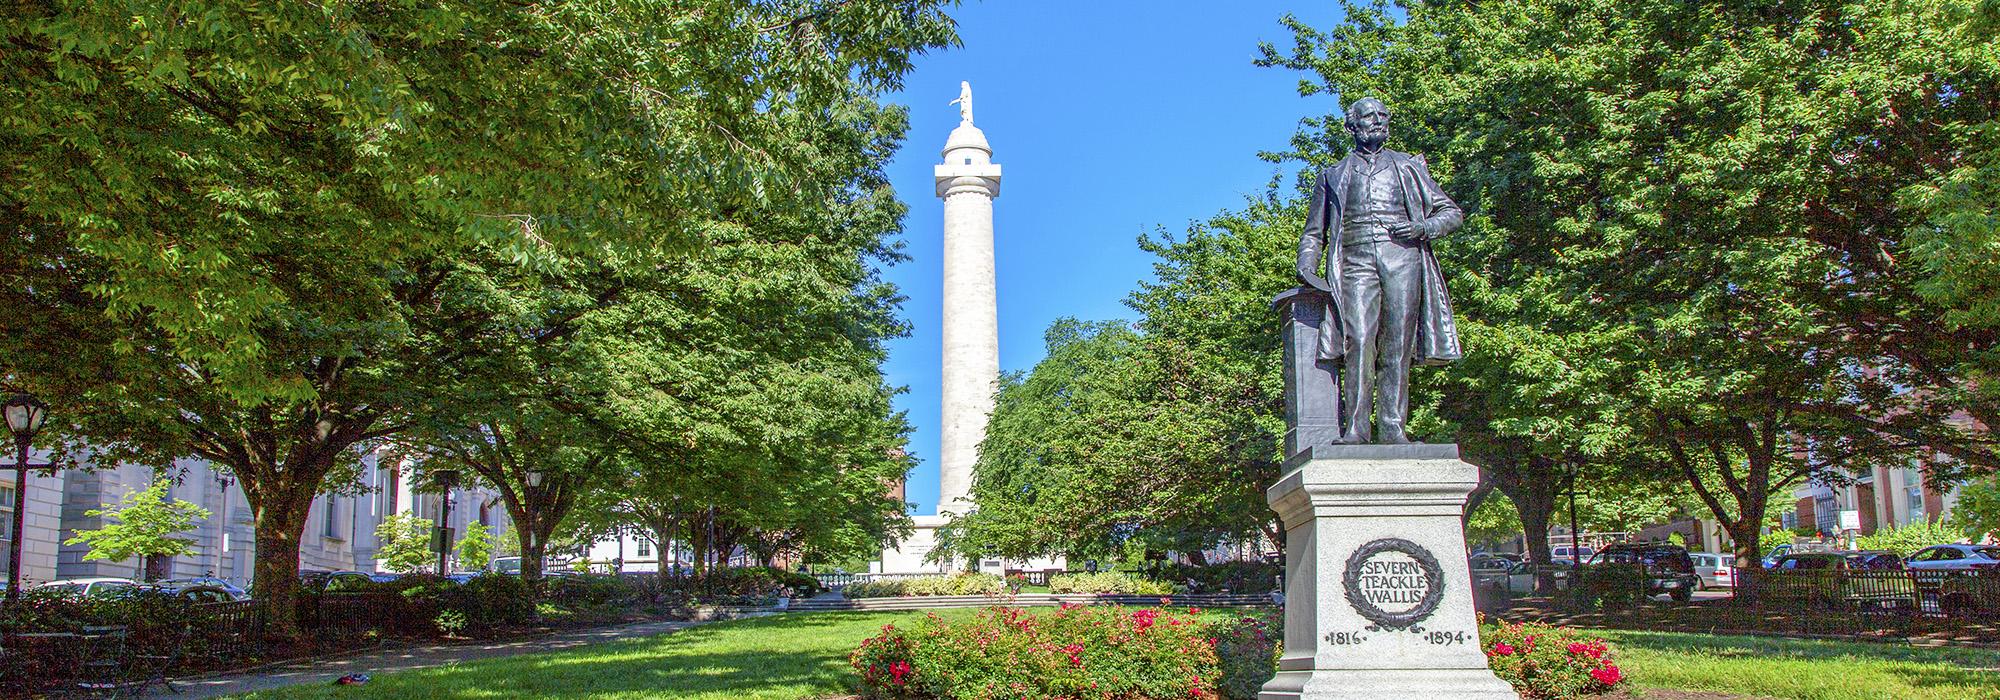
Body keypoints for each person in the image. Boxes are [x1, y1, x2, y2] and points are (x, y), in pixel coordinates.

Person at [1296, 97, 1464, 444]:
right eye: (1370, 117)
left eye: (1383, 116)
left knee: (1397, 344)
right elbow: (1314, 232)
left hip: (1402, 258)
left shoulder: (1408, 167)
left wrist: (1422, 228)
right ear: (1352, 125)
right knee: (1358, 340)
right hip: (1355, 261)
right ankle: (1357, 429)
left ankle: (1392, 427)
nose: (1378, 122)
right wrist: (1307, 265)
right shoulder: (1332, 175)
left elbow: (1452, 213)